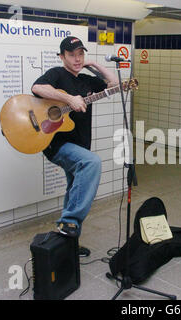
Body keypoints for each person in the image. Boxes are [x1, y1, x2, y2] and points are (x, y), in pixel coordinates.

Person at [31, 36, 118, 256]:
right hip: (57, 144)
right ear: (62, 57)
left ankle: (67, 244)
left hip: (80, 145)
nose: (77, 59)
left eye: (81, 54)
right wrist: (69, 99)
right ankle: (68, 222)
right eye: (72, 55)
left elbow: (115, 85)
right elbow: (37, 87)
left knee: (74, 190)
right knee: (92, 163)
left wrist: (96, 66)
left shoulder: (88, 80)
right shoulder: (56, 74)